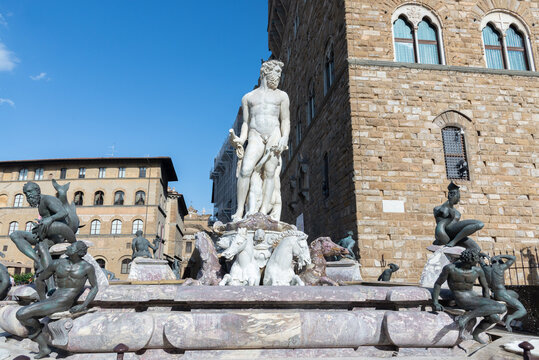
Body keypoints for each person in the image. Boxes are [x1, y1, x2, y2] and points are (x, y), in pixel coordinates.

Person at [230, 59, 290, 221]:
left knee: (270, 173)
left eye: (279, 74)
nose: (278, 77)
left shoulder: (282, 96)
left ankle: (264, 210)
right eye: (276, 73)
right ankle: (240, 210)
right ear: (265, 72)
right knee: (245, 170)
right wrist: (240, 139)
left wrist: (284, 137)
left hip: (274, 134)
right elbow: (246, 124)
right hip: (255, 135)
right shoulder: (248, 98)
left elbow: (285, 120)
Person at [16, 241, 98, 359]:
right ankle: (43, 345)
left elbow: (95, 287)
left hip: (64, 302)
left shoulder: (87, 267)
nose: (68, 247)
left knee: (21, 314)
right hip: (53, 299)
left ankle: (40, 336)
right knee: (24, 316)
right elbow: (40, 280)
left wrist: (83, 305)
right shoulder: (57, 263)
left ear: (78, 252)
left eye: (71, 246)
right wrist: (42, 299)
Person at [432, 249, 506, 343]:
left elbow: (485, 287)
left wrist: (487, 305)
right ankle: (466, 317)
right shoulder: (450, 268)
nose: (475, 264)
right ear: (466, 261)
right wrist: (435, 302)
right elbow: (438, 284)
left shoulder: (477, 270)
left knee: (495, 318)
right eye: (474, 263)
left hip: (474, 298)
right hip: (462, 299)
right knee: (502, 307)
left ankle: (475, 334)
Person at [10, 181, 79, 274]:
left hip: (56, 234)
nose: (28, 195)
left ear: (37, 190)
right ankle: (38, 261)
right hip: (44, 233)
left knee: (42, 246)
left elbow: (63, 212)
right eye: (26, 193)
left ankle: (48, 279)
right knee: (15, 235)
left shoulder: (48, 199)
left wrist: (50, 219)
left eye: (30, 192)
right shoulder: (39, 204)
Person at [478, 254, 527, 332]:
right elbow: (513, 257)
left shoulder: (485, 268)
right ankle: (510, 318)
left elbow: (478, 258)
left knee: (515, 294)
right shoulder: (500, 268)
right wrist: (501, 256)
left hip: (493, 293)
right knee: (523, 310)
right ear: (498, 262)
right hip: (501, 294)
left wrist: (483, 255)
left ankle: (509, 305)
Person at [433, 182, 483, 250]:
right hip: (447, 232)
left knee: (476, 248)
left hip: (455, 234)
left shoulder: (457, 213)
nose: (459, 200)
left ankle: (457, 246)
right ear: (451, 195)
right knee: (479, 224)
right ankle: (453, 242)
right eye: (458, 197)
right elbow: (442, 213)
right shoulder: (440, 209)